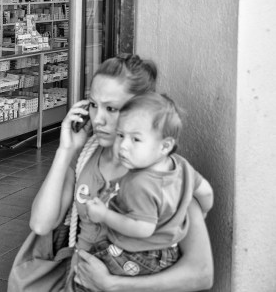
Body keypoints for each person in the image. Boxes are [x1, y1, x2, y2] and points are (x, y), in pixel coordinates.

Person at [19, 54, 214, 291]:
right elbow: (41, 224)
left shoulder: (167, 174)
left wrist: (113, 285)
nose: (98, 119)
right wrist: (65, 150)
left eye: (111, 108)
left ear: (139, 109)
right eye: (93, 105)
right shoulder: (85, 158)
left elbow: (201, 273)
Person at [75, 93, 214, 291]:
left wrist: (104, 215)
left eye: (136, 139)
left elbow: (142, 229)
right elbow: (206, 193)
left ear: (165, 146)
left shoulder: (139, 182)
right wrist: (203, 211)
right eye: (121, 135)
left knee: (83, 272)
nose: (123, 146)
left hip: (136, 255)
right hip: (168, 253)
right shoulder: (182, 166)